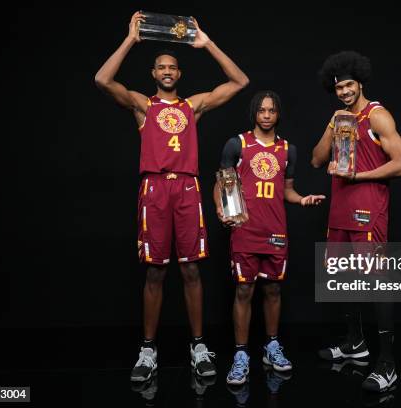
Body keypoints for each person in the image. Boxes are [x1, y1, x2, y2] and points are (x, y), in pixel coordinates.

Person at [94, 11, 249, 381]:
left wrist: (205, 42)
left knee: (191, 268)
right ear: (154, 74)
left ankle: (198, 346)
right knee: (155, 272)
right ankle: (148, 350)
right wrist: (132, 37)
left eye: (172, 66)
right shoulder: (143, 106)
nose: (166, 71)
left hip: (187, 187)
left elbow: (240, 81)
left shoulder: (191, 106)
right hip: (155, 188)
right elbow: (102, 79)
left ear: (179, 74)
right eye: (161, 66)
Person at [311, 51, 401, 392]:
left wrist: (361, 176)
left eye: (350, 85)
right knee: (342, 276)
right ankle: (355, 343)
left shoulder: (378, 116)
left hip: (368, 209)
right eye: (339, 88)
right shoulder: (339, 118)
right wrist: (332, 122)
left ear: (360, 82)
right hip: (340, 209)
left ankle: (387, 364)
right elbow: (316, 160)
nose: (345, 92)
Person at [214, 91, 325, 385]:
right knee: (244, 291)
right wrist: (220, 210)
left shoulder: (289, 150)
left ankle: (272, 346)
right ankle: (240, 354)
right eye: (261, 110)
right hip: (245, 229)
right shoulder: (237, 144)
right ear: (255, 113)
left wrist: (302, 200)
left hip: (276, 230)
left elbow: (287, 190)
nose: (266, 115)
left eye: (271, 111)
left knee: (273, 290)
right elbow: (222, 182)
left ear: (278, 115)